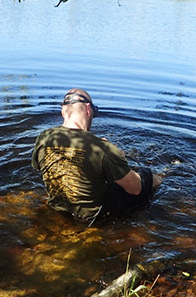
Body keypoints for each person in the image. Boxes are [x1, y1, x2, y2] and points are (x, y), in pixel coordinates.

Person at [32, 88, 162, 222]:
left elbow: (41, 168)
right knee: (148, 176)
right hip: (93, 215)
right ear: (88, 109)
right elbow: (135, 189)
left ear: (63, 112)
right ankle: (164, 177)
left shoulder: (44, 137)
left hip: (58, 207)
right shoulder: (102, 148)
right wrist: (115, 156)